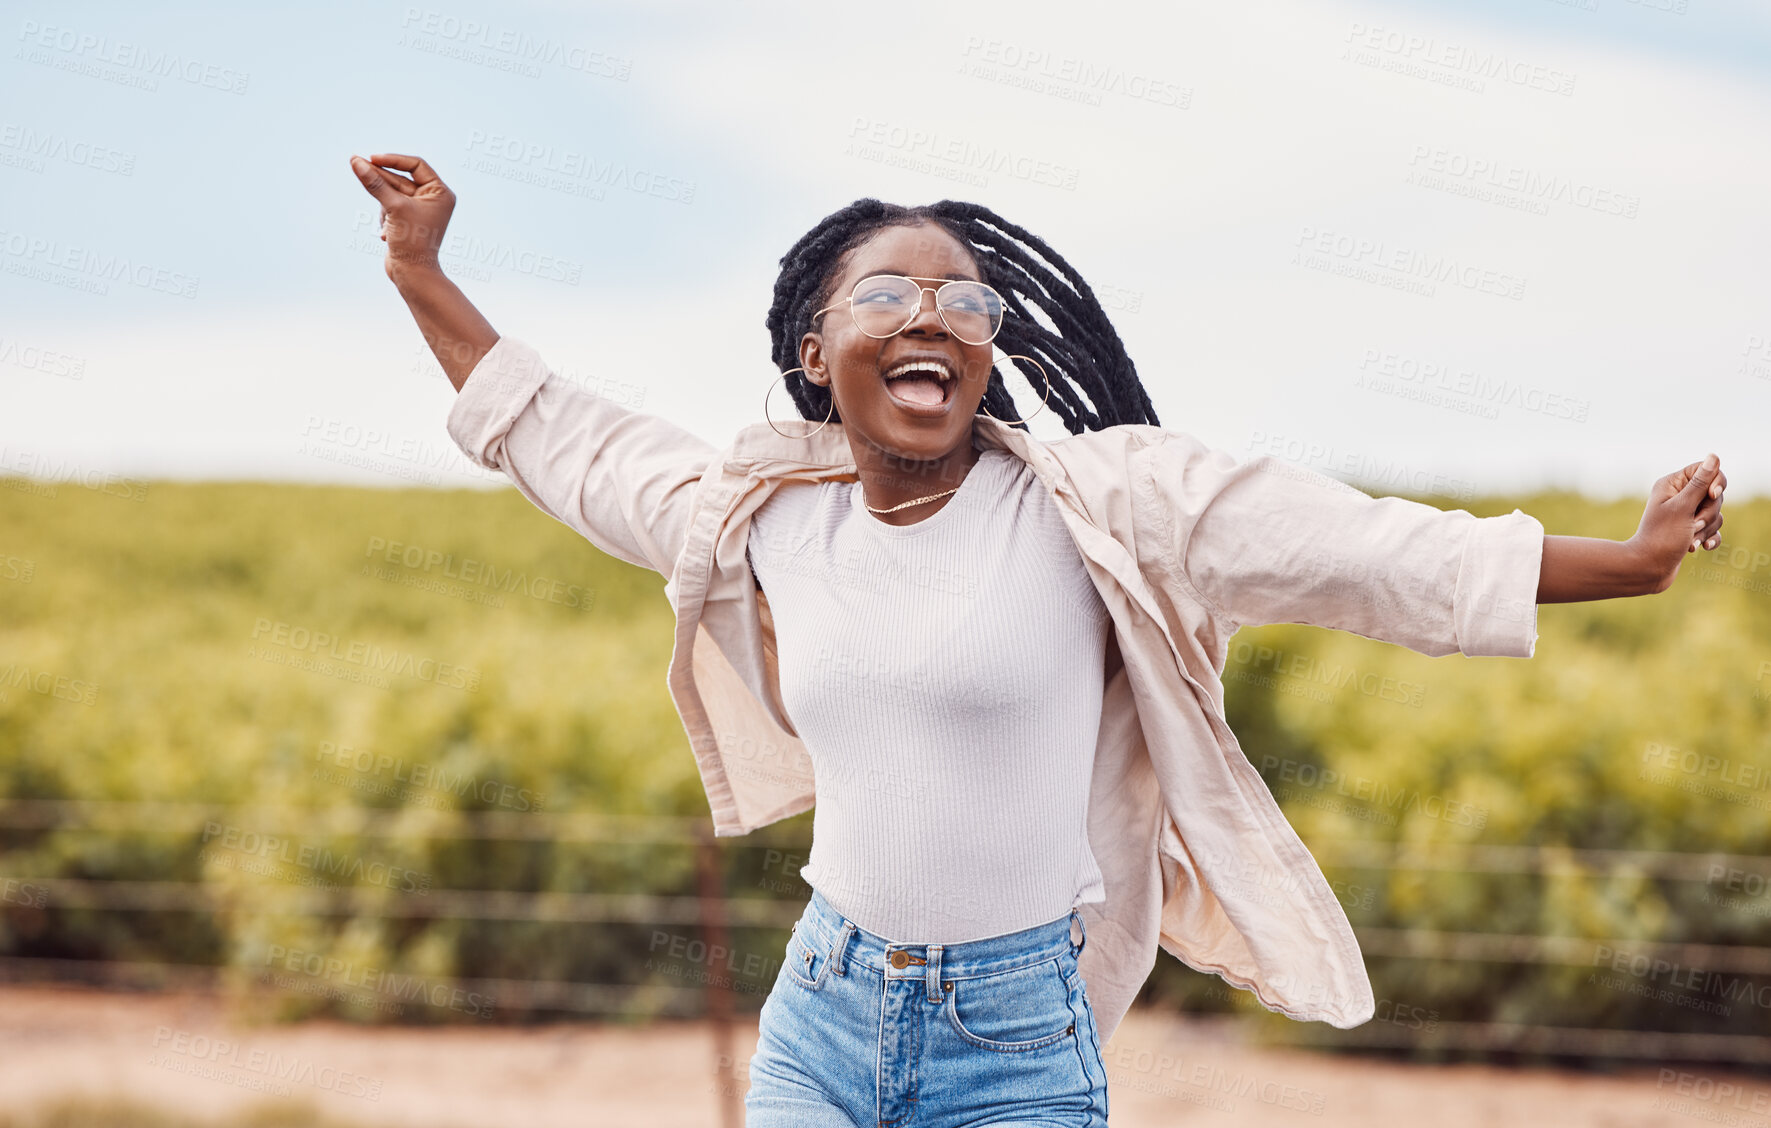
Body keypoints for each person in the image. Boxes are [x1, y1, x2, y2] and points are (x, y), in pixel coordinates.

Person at [349, 152, 1728, 1127]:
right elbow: (565, 437)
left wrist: (1634, 560)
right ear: (816, 347)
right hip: (825, 1009)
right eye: (886, 297)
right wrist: (424, 271)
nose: (931, 316)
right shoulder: (762, 512)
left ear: (990, 352)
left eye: (965, 302)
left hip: (1016, 1038)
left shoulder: (1100, 508)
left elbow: (1360, 550)